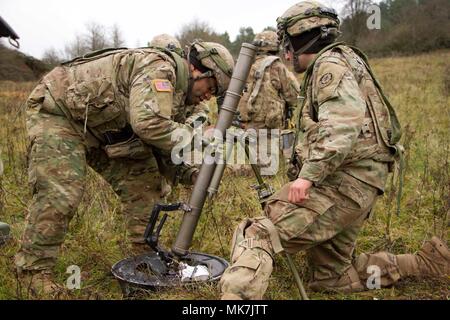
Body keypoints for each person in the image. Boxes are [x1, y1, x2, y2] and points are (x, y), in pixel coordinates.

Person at [219, 0, 449, 299]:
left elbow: (342, 125)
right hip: (360, 182)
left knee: (257, 233)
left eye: (287, 44)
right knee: (330, 279)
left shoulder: (329, 66)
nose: (285, 54)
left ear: (299, 41)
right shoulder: (344, 60)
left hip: (343, 184)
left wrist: (308, 177)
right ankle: (423, 264)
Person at [15, 40, 234, 293]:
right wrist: (199, 138)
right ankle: (32, 272)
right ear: (199, 71)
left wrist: (188, 174)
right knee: (62, 193)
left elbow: (159, 143)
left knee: (144, 182)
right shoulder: (159, 69)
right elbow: (149, 126)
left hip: (105, 131)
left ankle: (144, 260)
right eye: (212, 87)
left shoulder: (180, 96)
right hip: (59, 115)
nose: (209, 96)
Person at [237, 30, 299, 163]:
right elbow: (294, 95)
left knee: (247, 163)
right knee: (268, 168)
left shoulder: (245, 66)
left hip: (245, 127)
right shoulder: (276, 66)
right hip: (269, 129)